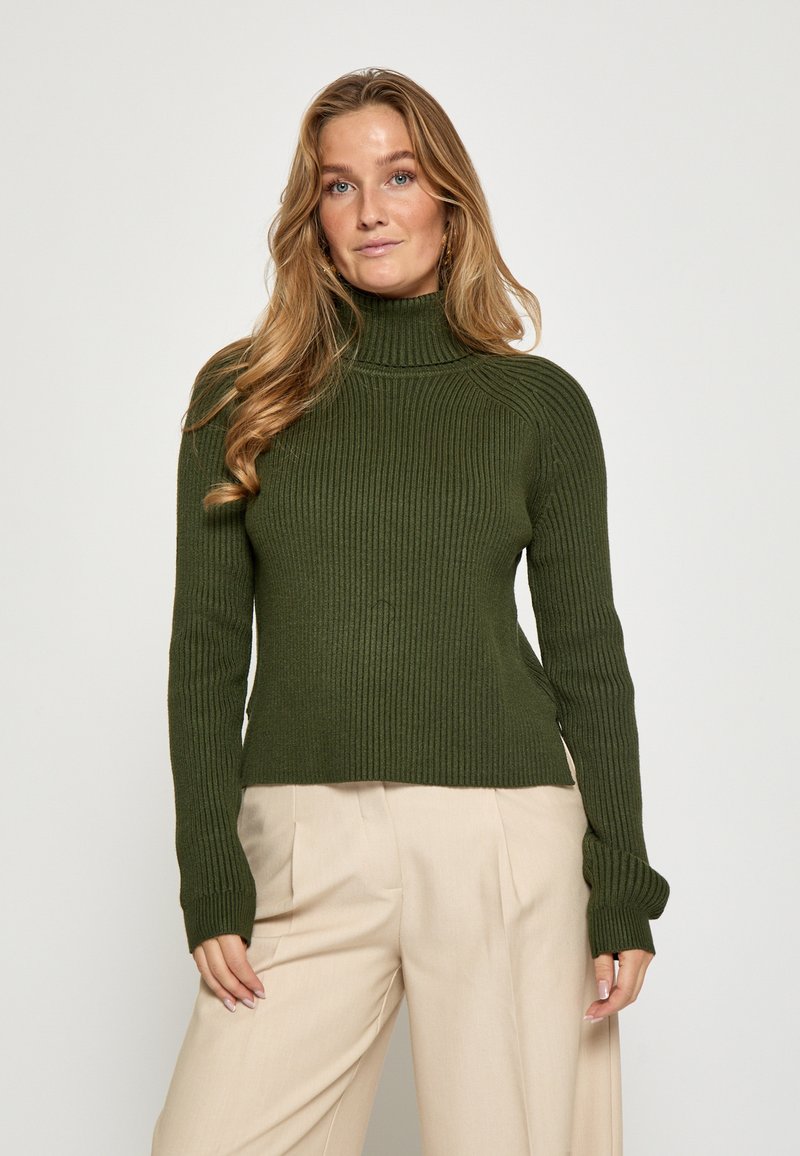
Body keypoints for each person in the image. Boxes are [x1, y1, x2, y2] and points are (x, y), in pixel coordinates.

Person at [151, 67, 670, 1156]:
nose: (370, 210)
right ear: (313, 217)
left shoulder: (536, 407)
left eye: (398, 176)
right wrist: (211, 872)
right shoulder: (240, 396)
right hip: (302, 842)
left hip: (501, 840)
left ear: (448, 199)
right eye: (338, 186)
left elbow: (587, 655)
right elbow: (205, 651)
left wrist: (621, 882)